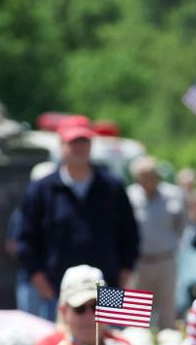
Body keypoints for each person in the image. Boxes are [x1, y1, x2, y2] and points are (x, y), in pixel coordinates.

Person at [12, 114, 140, 322]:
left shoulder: (112, 187)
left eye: (84, 141)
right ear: (61, 145)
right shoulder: (41, 190)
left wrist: (125, 273)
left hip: (107, 287)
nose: (79, 148)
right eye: (73, 142)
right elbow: (25, 241)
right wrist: (41, 283)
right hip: (57, 292)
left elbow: (130, 234)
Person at [127, 156, 188, 329]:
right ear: (136, 178)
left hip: (166, 260)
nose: (147, 180)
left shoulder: (174, 194)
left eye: (151, 175)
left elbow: (182, 226)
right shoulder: (129, 196)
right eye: (142, 176)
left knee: (167, 311)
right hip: (140, 262)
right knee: (135, 314)